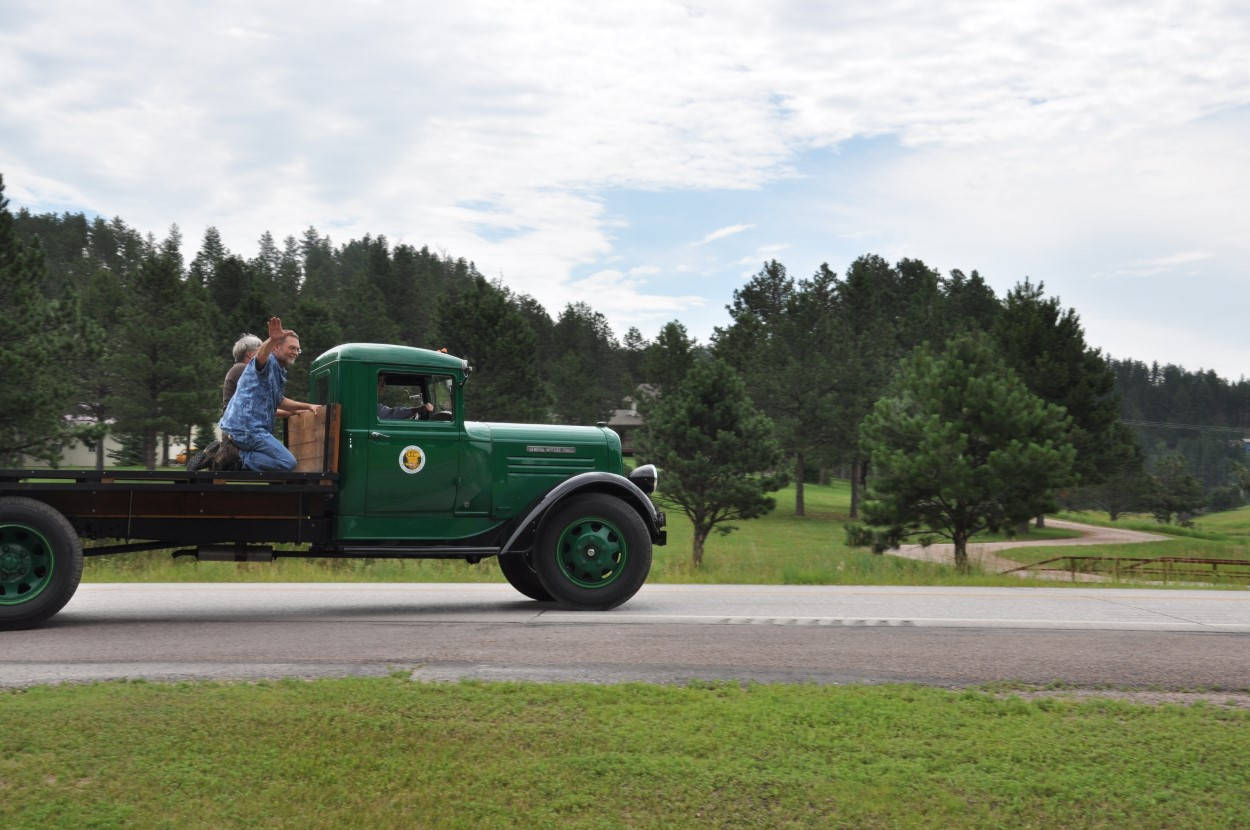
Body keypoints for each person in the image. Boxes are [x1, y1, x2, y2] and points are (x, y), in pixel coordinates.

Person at [215, 316, 322, 472]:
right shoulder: (266, 362)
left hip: (252, 429)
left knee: (279, 460)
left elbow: (279, 400)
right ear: (276, 348)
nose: (296, 352)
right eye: (292, 348)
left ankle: (236, 455)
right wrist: (271, 339)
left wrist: (307, 407)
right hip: (245, 428)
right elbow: (260, 357)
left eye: (298, 349)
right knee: (287, 462)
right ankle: (236, 457)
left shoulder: (279, 370)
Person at [222, 333, 262, 410]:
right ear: (250, 354)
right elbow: (258, 402)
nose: (265, 355)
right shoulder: (243, 369)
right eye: (260, 351)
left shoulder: (238, 368)